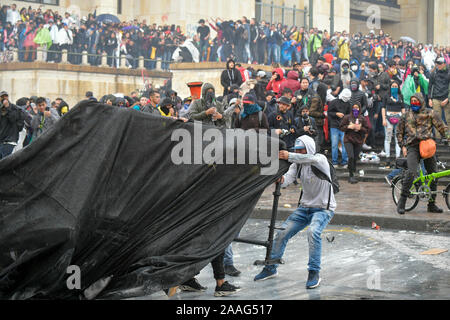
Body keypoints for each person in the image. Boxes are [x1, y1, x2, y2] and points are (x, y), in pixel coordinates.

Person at [254, 135, 336, 289]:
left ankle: (313, 272)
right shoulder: (297, 165)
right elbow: (287, 180)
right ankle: (271, 267)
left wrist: (290, 155)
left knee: (313, 232)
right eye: (296, 149)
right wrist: (279, 179)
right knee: (282, 233)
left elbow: (312, 159)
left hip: (323, 209)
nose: (298, 152)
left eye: (301, 149)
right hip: (304, 208)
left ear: (309, 149)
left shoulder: (320, 159)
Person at [396, 93, 449, 214]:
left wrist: (448, 136)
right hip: (412, 147)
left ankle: (431, 204)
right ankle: (402, 201)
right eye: (412, 101)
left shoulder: (430, 113)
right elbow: (399, 131)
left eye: (416, 101)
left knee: (433, 174)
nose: (414, 103)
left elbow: (442, 127)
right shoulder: (406, 115)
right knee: (411, 171)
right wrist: (402, 145)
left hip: (427, 146)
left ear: (421, 101)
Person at [339, 102, 369, 184]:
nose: (355, 109)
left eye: (357, 108)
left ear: (359, 108)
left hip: (358, 140)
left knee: (355, 158)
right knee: (351, 156)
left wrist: (360, 128)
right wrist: (349, 126)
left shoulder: (362, 118)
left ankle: (352, 169)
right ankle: (351, 175)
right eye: (354, 108)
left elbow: (367, 129)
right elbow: (341, 127)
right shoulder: (347, 117)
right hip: (348, 139)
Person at [381, 81, 406, 167]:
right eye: (393, 86)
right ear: (390, 87)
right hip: (388, 118)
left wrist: (403, 119)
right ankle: (387, 159)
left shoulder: (401, 96)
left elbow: (403, 108)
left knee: (397, 138)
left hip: (399, 118)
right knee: (388, 138)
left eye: (396, 86)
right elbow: (383, 108)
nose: (394, 87)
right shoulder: (386, 96)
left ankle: (397, 158)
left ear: (398, 87)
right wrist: (384, 118)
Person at [327, 88, 352, 168]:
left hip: (343, 126)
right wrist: (336, 114)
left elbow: (350, 115)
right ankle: (335, 162)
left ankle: (344, 161)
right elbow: (329, 113)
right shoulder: (334, 102)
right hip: (334, 126)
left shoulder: (348, 104)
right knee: (334, 144)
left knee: (345, 144)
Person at [0, 91, 25, 159]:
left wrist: (7, 108)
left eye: (6, 96)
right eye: (2, 97)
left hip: (9, 141)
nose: (4, 98)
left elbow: (12, 119)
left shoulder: (14, 108)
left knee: (5, 162)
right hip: (1, 140)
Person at [428, 57, 449, 133]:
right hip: (436, 98)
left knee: (448, 119)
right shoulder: (433, 73)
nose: (438, 65)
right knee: (437, 120)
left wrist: (447, 99)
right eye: (437, 63)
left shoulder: (449, 72)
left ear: (444, 64)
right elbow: (430, 86)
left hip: (447, 98)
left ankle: (448, 138)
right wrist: (429, 99)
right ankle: (438, 139)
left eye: (440, 63)